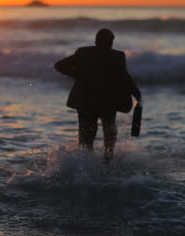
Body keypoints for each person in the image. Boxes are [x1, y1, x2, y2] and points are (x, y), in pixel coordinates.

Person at [54, 28, 142, 162]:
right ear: (111, 42)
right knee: (109, 131)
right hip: (107, 100)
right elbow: (124, 77)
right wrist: (136, 93)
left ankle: (85, 164)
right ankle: (108, 160)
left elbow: (59, 65)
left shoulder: (83, 52)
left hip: (85, 100)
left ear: (96, 41)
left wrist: (78, 75)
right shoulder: (117, 56)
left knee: (86, 136)